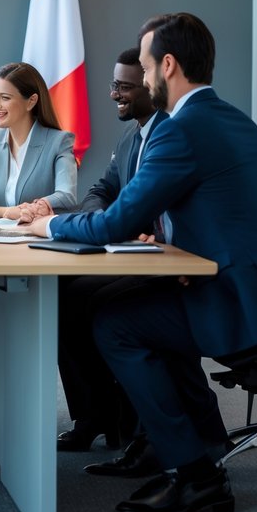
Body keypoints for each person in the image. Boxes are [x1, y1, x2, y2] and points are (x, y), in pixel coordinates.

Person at [22, 13, 257, 512]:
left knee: (117, 324)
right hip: (250, 281)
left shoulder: (182, 130)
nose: (144, 80)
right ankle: (203, 448)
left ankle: (195, 475)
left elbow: (116, 224)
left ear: (167, 65)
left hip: (235, 295)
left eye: (146, 68)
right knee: (127, 305)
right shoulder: (234, 118)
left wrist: (49, 228)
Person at [58, 48, 165, 453]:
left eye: (124, 86)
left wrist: (116, 226)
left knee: (78, 299)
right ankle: (93, 415)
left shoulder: (166, 133)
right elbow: (101, 190)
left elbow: (148, 207)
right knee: (63, 291)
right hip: (126, 249)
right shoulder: (131, 134)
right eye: (113, 84)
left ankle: (116, 415)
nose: (114, 94)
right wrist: (103, 219)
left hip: (161, 259)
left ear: (151, 87)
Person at [0, 61, 77, 222]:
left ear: (31, 101)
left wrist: (35, 208)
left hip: (35, 238)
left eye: (5, 98)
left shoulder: (59, 142)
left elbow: (66, 195)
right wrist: (8, 212)